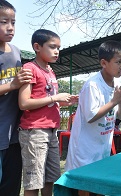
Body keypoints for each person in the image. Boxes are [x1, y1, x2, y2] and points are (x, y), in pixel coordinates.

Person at [18, 29, 78, 196]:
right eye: (52, 47)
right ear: (37, 47)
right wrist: (54, 98)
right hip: (34, 131)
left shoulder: (50, 71)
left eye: (58, 47)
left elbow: (48, 98)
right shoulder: (30, 68)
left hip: (51, 131)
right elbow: (24, 103)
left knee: (50, 178)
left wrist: (62, 100)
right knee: (33, 181)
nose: (57, 51)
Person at [65, 40, 121, 171]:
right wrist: (114, 102)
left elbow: (120, 116)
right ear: (104, 63)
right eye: (118, 62)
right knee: (82, 188)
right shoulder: (92, 85)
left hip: (102, 148)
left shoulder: (118, 84)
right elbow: (91, 116)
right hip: (84, 151)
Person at [0, 1, 33, 195]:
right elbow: (15, 84)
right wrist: (13, 84)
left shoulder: (16, 51)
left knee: (11, 187)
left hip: (14, 134)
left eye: (13, 22)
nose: (10, 27)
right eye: (4, 22)